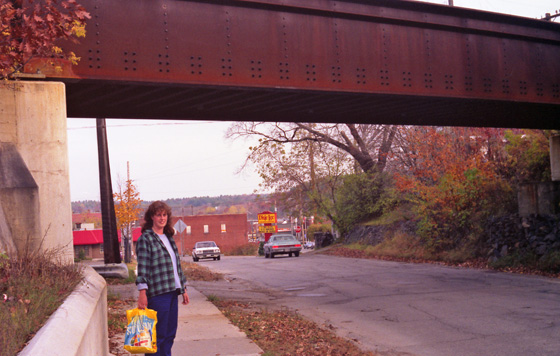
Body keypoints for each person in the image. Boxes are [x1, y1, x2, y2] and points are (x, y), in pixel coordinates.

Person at [136, 201, 189, 356]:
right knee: (156, 338)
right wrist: (142, 293)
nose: (162, 218)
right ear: (152, 217)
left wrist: (183, 288)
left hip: (173, 292)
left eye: (164, 215)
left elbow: (176, 266)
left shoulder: (168, 237)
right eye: (158, 215)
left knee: (169, 335)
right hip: (158, 295)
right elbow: (143, 268)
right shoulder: (146, 239)